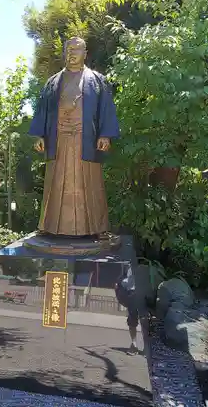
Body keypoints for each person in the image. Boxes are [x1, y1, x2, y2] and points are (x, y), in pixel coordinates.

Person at [28, 36, 120, 238]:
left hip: (85, 139)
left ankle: (97, 227)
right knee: (55, 180)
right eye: (69, 49)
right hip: (58, 140)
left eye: (77, 49)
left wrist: (105, 134)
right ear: (64, 53)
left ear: (85, 54)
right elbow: (42, 110)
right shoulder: (53, 82)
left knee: (91, 182)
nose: (72, 53)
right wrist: (39, 135)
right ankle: (48, 225)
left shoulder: (96, 80)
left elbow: (106, 109)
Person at [115, 264, 139, 355]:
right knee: (132, 321)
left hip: (141, 293)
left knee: (146, 321)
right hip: (132, 294)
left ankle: (144, 347)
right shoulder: (129, 266)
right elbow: (126, 280)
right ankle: (134, 344)